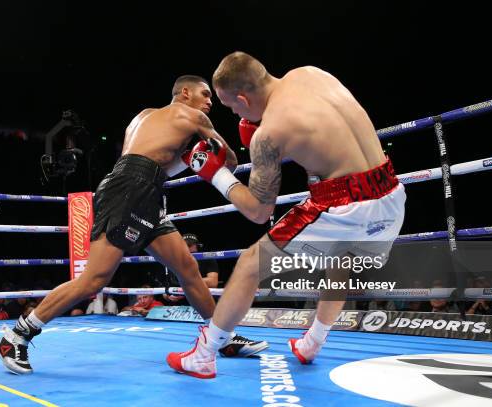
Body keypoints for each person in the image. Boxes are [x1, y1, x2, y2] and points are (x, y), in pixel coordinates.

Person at [0, 75, 267, 375]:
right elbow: (228, 159)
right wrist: (251, 139)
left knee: (188, 269)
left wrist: (190, 158)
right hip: (132, 191)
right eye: (205, 95)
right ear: (185, 93)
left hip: (141, 189)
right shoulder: (194, 115)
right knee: (94, 280)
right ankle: (17, 335)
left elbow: (158, 162)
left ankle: (222, 339)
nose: (209, 102)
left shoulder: (145, 117)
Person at [167, 51, 406, 378]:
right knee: (341, 260)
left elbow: (258, 210)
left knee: (251, 264)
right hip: (391, 192)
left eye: (232, 106)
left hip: (344, 203)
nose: (235, 113)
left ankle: (204, 355)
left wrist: (217, 175)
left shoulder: (269, 134)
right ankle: (312, 343)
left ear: (242, 97)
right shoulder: (311, 72)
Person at [163, 233, 219, 305]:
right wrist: (168, 296)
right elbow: (165, 289)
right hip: (179, 308)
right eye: (185, 247)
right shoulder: (173, 261)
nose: (188, 252)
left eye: (190, 246)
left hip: (203, 302)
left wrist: (184, 289)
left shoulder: (207, 258)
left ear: (198, 247)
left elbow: (212, 282)